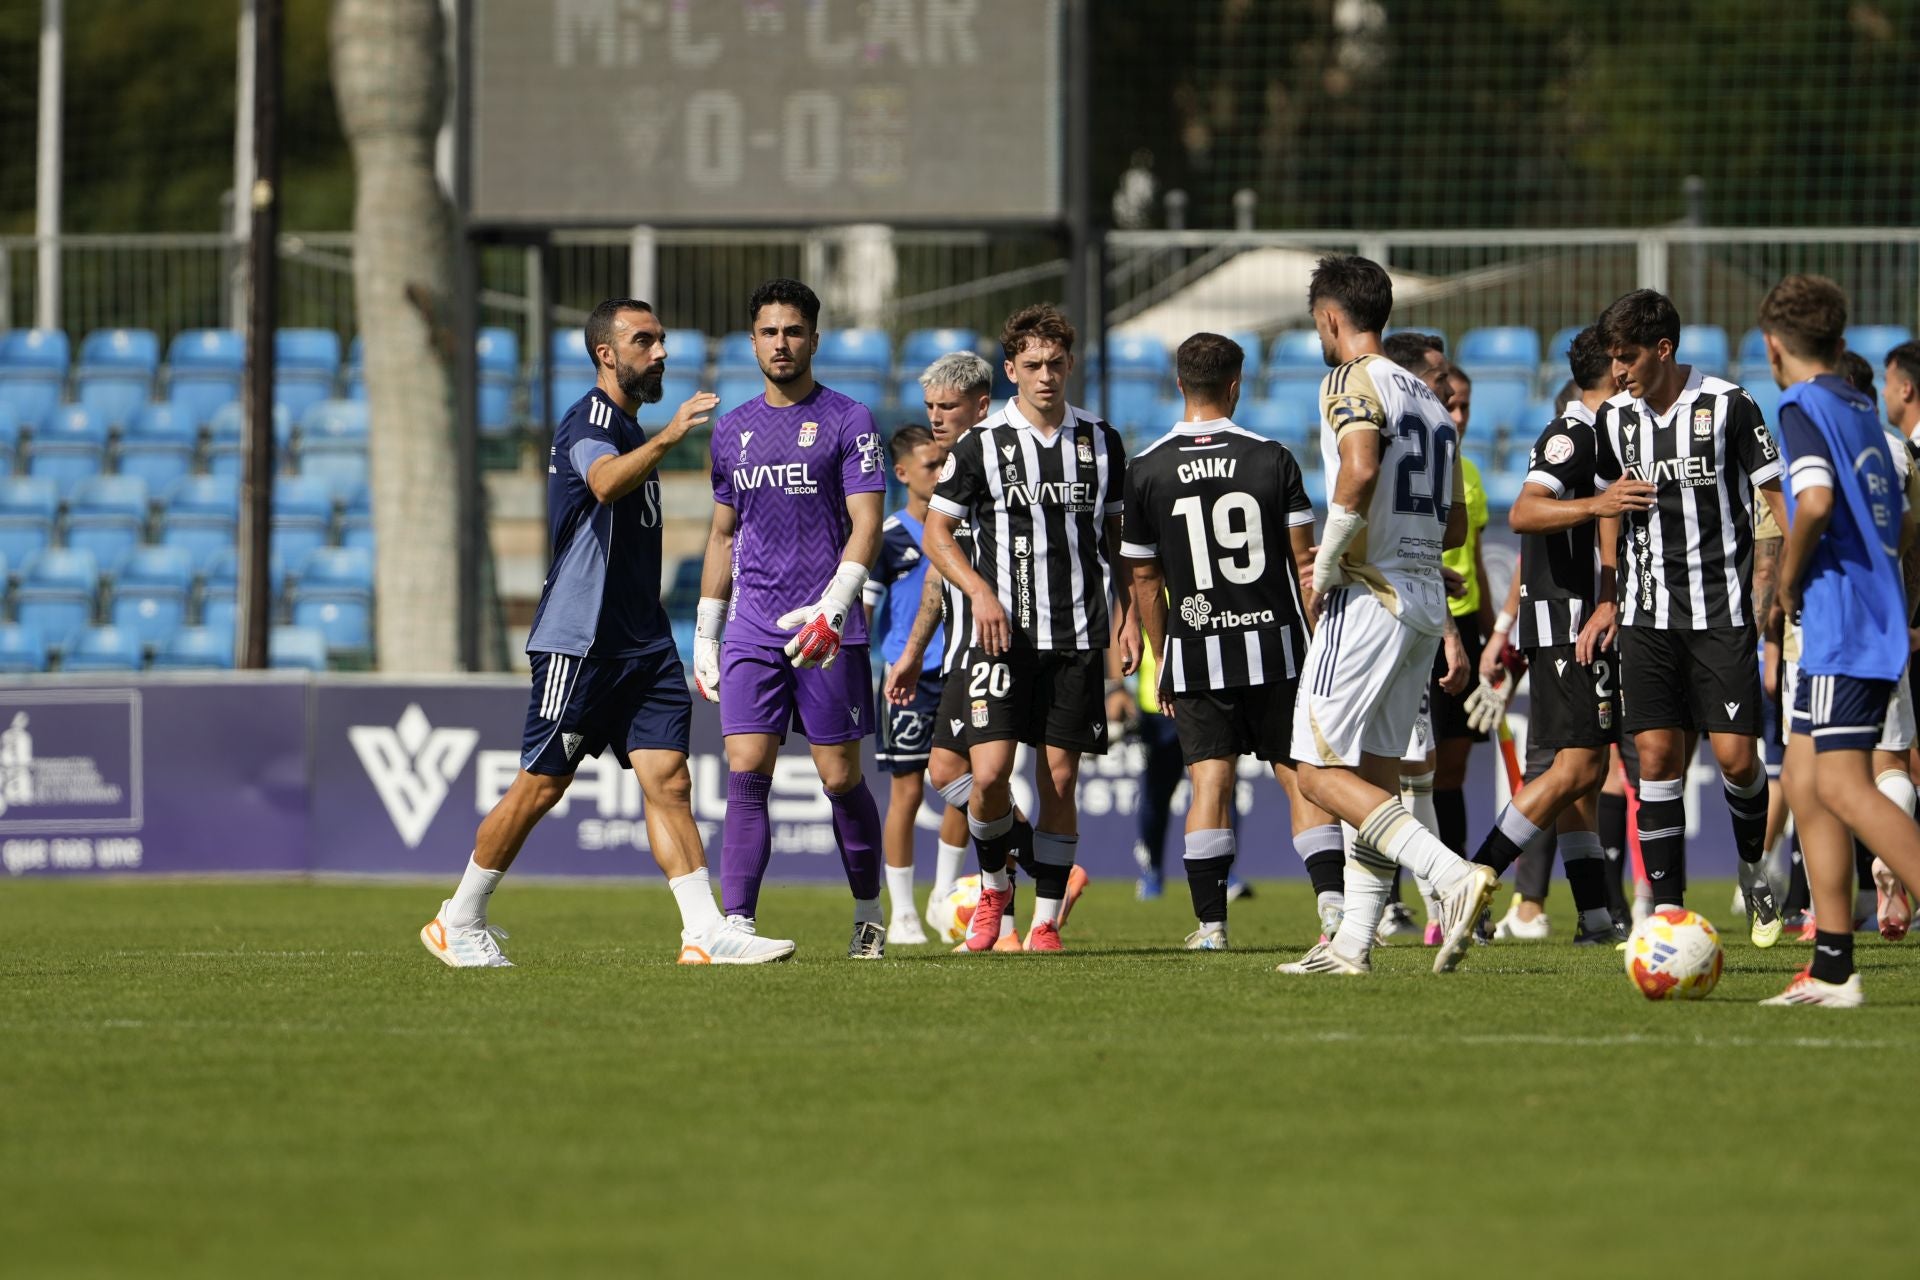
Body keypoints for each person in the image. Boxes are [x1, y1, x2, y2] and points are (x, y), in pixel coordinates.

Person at [420, 298, 792, 968]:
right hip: (582, 640)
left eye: (661, 340)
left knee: (669, 781)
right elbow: (601, 482)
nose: (660, 354)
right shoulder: (590, 422)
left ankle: (704, 930)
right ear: (606, 353)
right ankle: (459, 918)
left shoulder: (628, 425)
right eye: (644, 341)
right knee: (542, 783)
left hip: (641, 643)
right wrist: (668, 438)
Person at [1275, 255, 1499, 977]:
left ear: (1331, 318)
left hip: (1370, 595)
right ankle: (1352, 946)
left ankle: (1450, 875)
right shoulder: (1431, 398)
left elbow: (1360, 466)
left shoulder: (1351, 377)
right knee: (1372, 773)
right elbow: (1459, 521)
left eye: (1318, 323)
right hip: (1425, 601)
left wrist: (1331, 559)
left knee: (1315, 770)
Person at [922, 303, 1137, 953]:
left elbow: (1116, 540)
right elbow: (938, 535)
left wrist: (1125, 618)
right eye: (1033, 365)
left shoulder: (1101, 441)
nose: (1045, 376)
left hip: (1074, 635)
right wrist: (981, 592)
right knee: (987, 777)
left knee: (1061, 781)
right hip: (999, 638)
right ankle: (992, 889)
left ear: (1070, 365)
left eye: (1056, 364)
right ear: (1011, 370)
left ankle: (1043, 922)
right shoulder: (981, 445)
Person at [1121, 332, 1342, 949]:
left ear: (1178, 384)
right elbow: (1306, 566)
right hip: (1276, 647)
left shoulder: (1146, 468)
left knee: (1209, 782)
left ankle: (1211, 926)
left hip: (1196, 652)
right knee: (1300, 777)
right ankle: (1331, 915)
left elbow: (1144, 576)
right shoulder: (1273, 458)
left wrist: (1164, 656)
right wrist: (1319, 641)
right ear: (1237, 384)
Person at [693, 278, 890, 958]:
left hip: (828, 630)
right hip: (753, 624)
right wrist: (705, 630)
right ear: (752, 342)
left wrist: (835, 610)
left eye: (794, 331)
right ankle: (737, 925)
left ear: (814, 337)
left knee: (840, 778)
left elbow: (868, 524)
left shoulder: (848, 419)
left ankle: (869, 911)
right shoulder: (731, 429)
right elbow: (722, 534)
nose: (782, 342)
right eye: (769, 332)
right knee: (747, 770)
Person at [1587, 288, 1790, 946]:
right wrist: (1611, 591)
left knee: (1735, 760)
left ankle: (1756, 866)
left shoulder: (1730, 404)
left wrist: (1771, 591)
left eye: (1627, 357)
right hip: (1647, 618)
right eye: (1612, 359)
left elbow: (1772, 500)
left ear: (1663, 350)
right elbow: (1613, 506)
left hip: (1722, 614)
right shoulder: (1614, 420)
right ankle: (1669, 915)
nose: (1617, 371)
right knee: (1655, 756)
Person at [1757, 275, 1920, 1005]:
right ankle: (1830, 968)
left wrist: (1789, 580)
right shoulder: (1862, 407)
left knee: (1845, 787)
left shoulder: (1801, 406)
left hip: (1839, 622)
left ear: (1773, 347)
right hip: (1865, 615)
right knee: (1802, 780)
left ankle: (1832, 966)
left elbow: (1814, 500)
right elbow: (1910, 519)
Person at [1462, 325, 1648, 945]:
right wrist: (1599, 506)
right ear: (1614, 370)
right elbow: (1524, 511)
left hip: (1580, 627)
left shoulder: (1606, 436)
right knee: (1572, 771)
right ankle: (1474, 874)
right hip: (1568, 629)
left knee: (1585, 775)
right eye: (1626, 360)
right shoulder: (1574, 434)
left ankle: (1595, 915)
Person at [884, 351, 1028, 951]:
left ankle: (1017, 908)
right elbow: (935, 587)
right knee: (944, 777)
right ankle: (1026, 867)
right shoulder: (930, 504)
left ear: (978, 404)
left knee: (991, 775)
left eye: (947, 407)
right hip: (952, 653)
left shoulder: (1004, 461)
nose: (937, 419)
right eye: (931, 408)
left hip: (1006, 647)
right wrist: (911, 652)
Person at [863, 424, 950, 944]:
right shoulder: (889, 537)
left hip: (959, 670)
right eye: (930, 465)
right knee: (907, 792)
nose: (941, 473)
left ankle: (943, 897)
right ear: (902, 474)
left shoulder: (961, 526)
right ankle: (902, 912)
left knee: (966, 788)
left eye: (943, 463)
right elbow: (867, 611)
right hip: (905, 678)